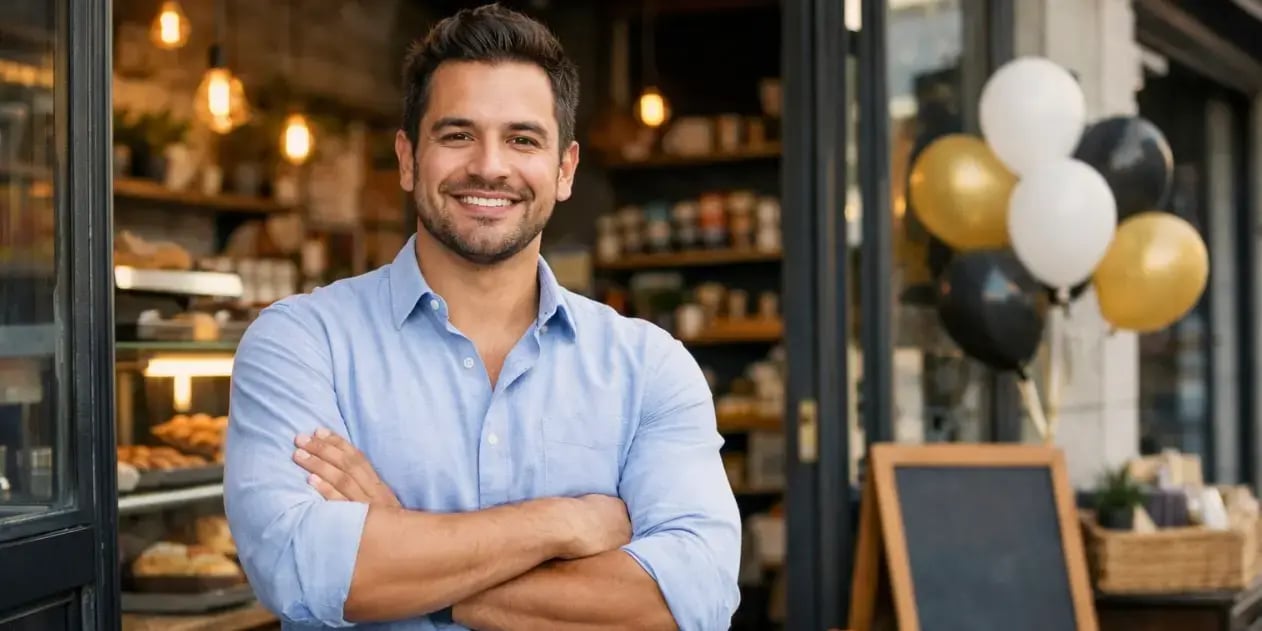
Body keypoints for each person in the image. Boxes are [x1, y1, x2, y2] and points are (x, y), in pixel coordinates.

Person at [223, 5, 741, 630]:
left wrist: (403, 549)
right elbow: (302, 570)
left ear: (565, 169)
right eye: (457, 134)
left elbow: (690, 600)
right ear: (409, 158)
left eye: (522, 139)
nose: (490, 165)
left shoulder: (651, 367)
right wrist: (566, 523)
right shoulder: (301, 342)